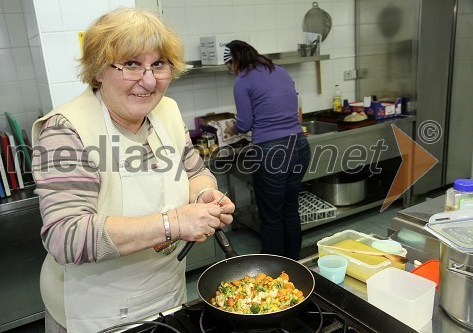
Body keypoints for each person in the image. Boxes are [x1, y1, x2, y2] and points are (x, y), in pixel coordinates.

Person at [31, 8, 234, 333]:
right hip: (97, 312)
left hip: (165, 295)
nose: (150, 80)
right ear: (98, 70)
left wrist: (203, 194)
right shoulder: (67, 130)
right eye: (131, 65)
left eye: (158, 64)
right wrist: (175, 223)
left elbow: (195, 170)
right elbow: (65, 236)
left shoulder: (166, 110)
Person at [223, 40, 310, 261]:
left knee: (271, 216)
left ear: (233, 62)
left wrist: (231, 127)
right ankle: (293, 263)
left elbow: (244, 124)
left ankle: (273, 271)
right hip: (299, 144)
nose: (231, 72)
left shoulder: (242, 81)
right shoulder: (279, 70)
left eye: (228, 67)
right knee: (290, 209)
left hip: (272, 152)